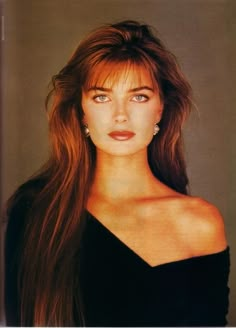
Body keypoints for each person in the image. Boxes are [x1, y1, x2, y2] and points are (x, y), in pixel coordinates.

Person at [4, 20, 230, 327]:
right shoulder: (37, 209)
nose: (120, 115)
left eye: (139, 97)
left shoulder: (200, 223)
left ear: (160, 108)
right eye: (102, 97)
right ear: (81, 109)